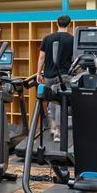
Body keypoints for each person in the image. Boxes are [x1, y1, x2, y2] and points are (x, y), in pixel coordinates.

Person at [37, 14, 74, 142]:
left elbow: (41, 57)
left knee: (51, 101)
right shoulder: (72, 39)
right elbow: (75, 59)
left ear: (56, 23)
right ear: (69, 24)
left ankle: (52, 127)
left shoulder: (47, 38)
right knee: (61, 103)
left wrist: (38, 73)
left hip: (49, 75)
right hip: (64, 76)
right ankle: (58, 131)